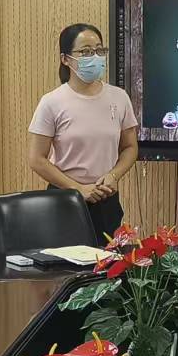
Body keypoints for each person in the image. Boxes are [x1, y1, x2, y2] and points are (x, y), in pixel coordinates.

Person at [26, 23, 138, 240]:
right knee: (65, 261)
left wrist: (113, 175)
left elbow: (130, 147)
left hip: (106, 198)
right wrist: (78, 188)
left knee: (107, 259)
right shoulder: (52, 102)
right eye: (85, 52)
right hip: (65, 199)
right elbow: (36, 159)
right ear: (65, 59)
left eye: (99, 50)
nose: (94, 57)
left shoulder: (119, 97)